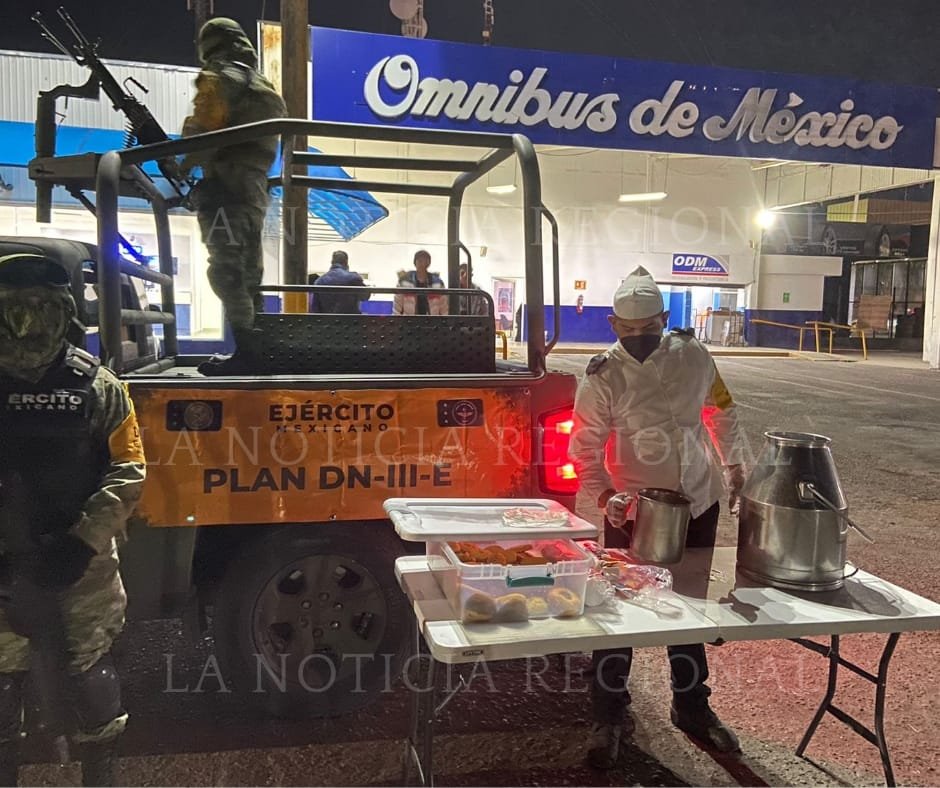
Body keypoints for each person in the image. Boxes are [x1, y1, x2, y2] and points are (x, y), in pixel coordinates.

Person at [568, 265, 747, 769]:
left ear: (665, 320)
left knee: (690, 606)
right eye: (629, 330)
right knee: (617, 610)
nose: (640, 338)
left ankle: (692, 706)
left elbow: (722, 409)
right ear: (612, 325)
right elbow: (583, 448)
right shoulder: (604, 375)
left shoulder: (694, 354)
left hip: (698, 499)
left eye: (649, 328)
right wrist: (606, 496)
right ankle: (608, 714)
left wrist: (734, 465)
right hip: (633, 509)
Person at [0, 250, 146, 786]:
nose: (31, 324)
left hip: (81, 566)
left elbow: (128, 468)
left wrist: (82, 541)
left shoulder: (97, 386)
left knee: (91, 680)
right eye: (18, 310)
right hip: (5, 566)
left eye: (44, 309)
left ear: (65, 312)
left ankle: (99, 776)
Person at [177, 17, 287, 375]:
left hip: (224, 191)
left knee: (226, 272)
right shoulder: (263, 86)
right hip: (253, 194)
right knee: (249, 274)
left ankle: (248, 353)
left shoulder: (221, 78)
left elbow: (202, 129)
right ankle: (258, 350)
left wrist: (180, 164)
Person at [393, 250, 448, 315]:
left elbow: (444, 307)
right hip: (409, 319)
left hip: (431, 320)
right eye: (420, 261)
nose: (423, 264)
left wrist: (446, 319)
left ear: (429, 263)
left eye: (426, 261)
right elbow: (397, 305)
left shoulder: (437, 283)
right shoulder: (404, 281)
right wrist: (396, 319)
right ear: (415, 262)